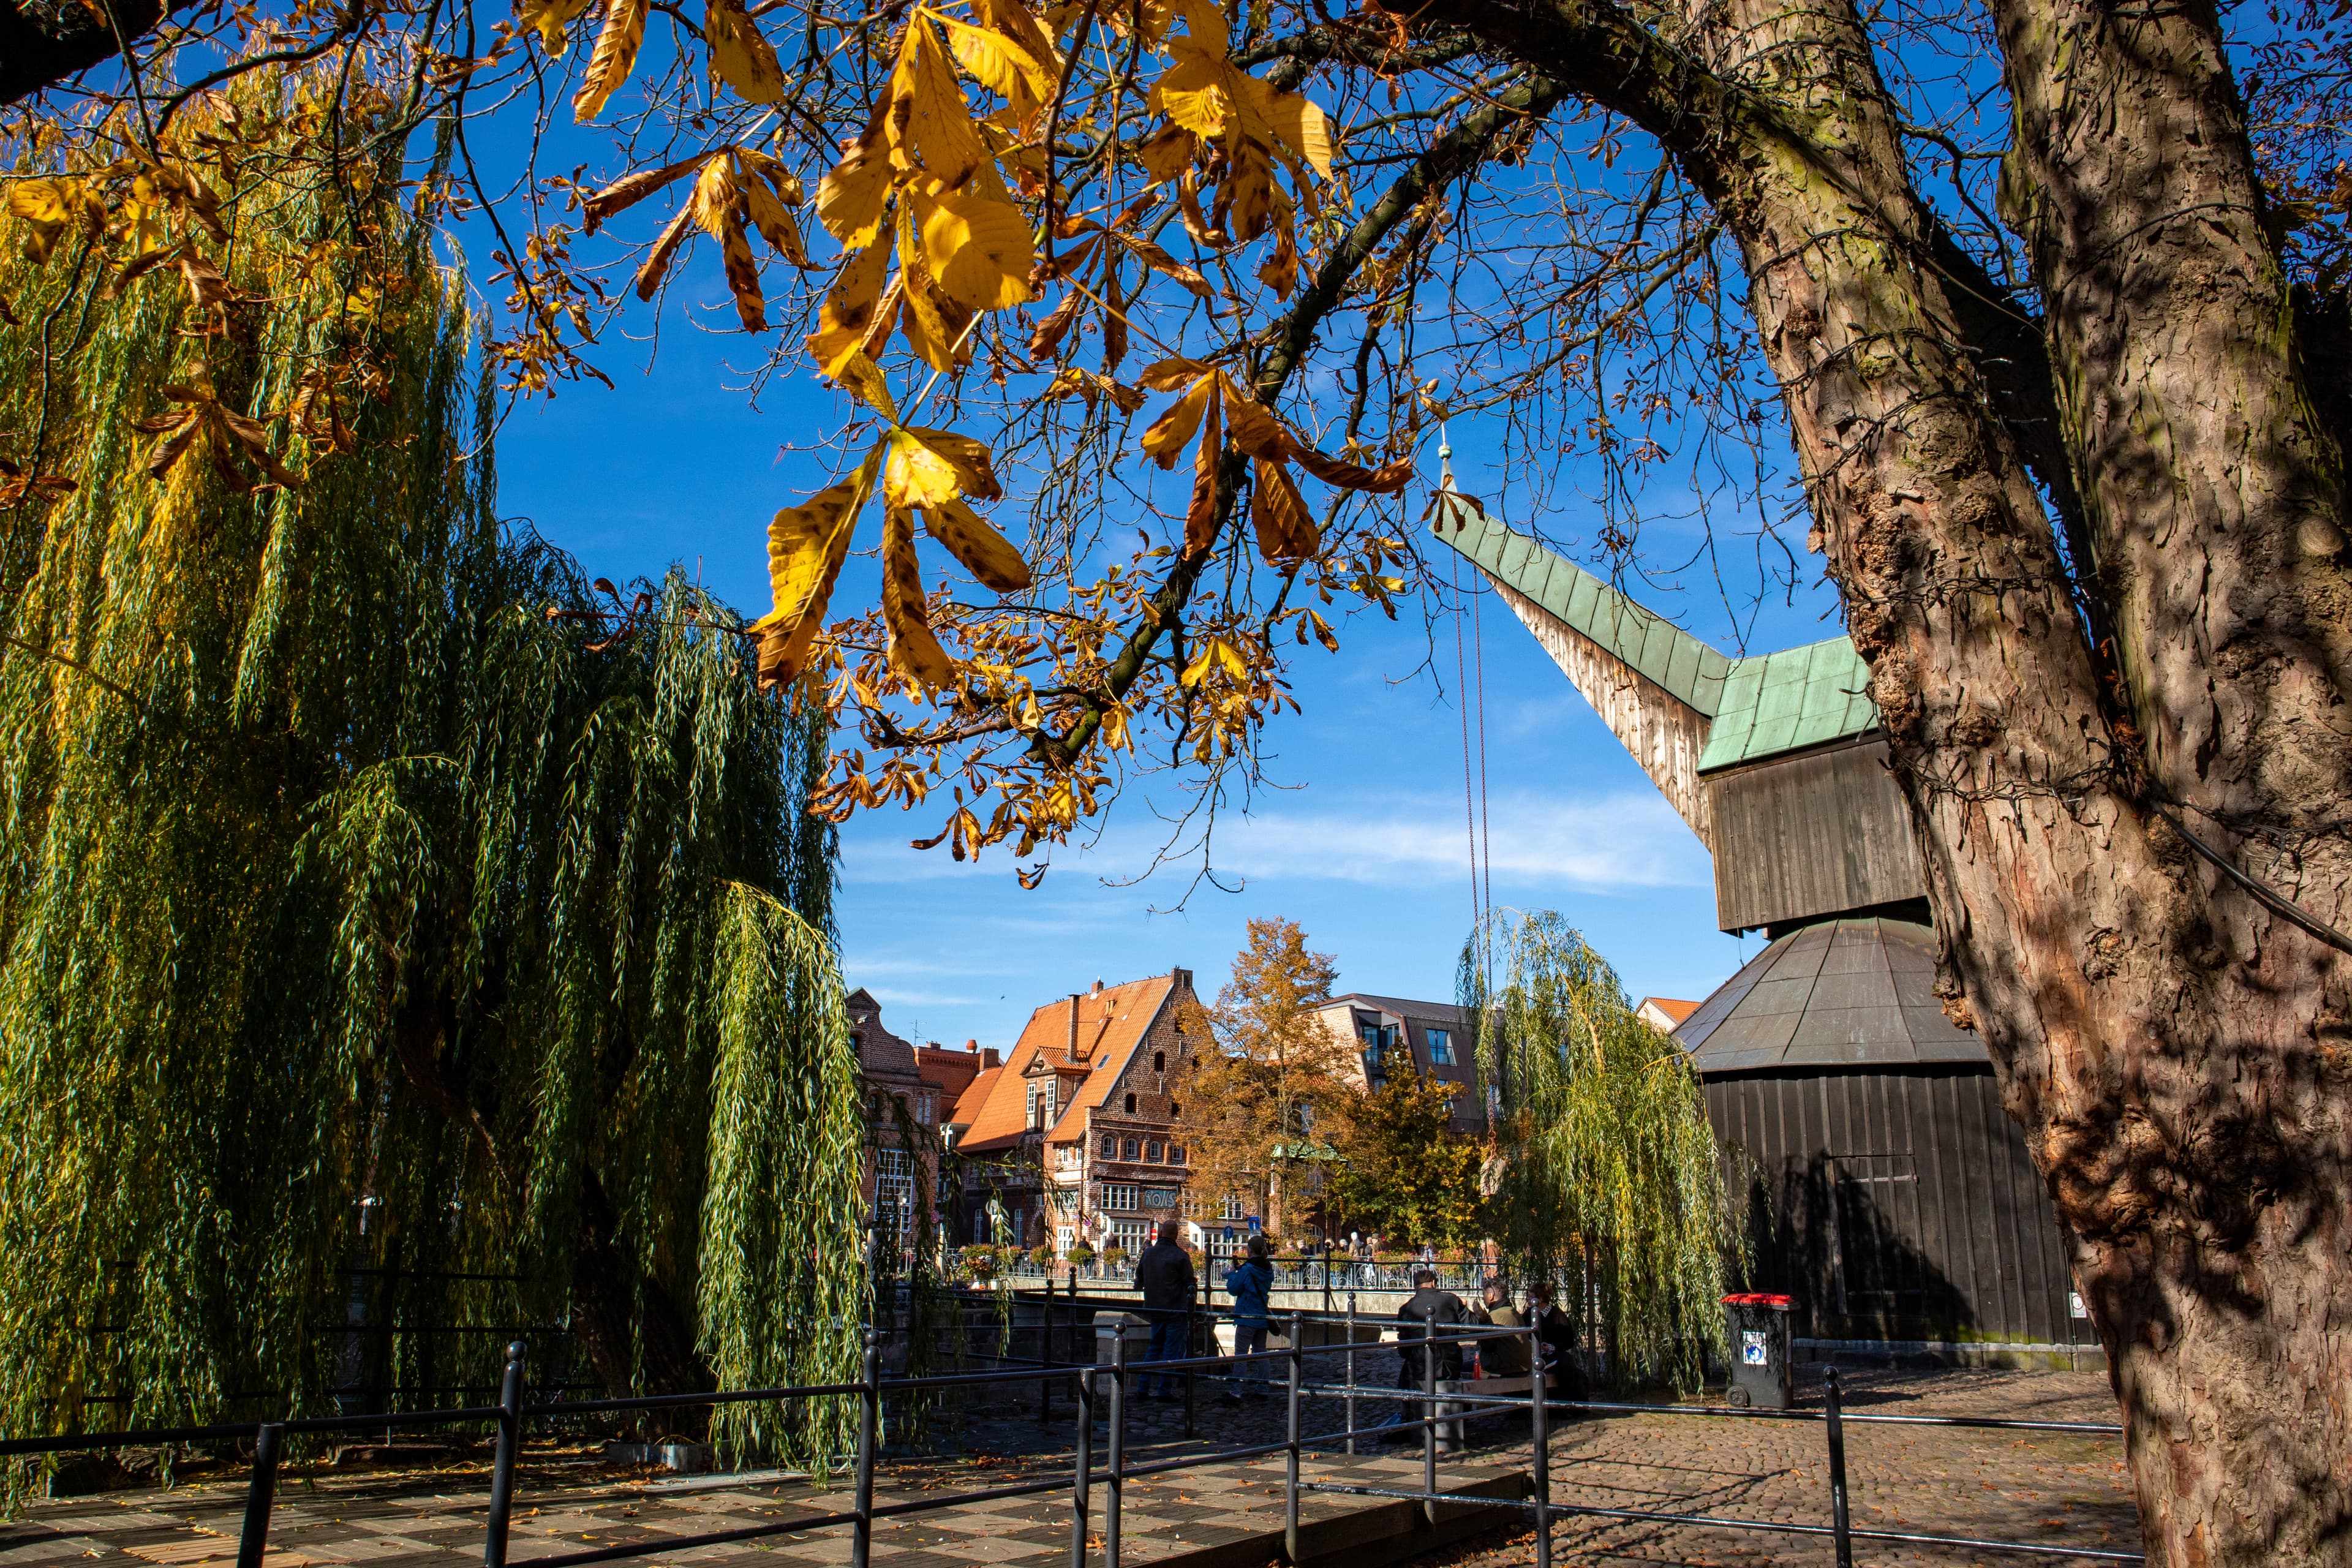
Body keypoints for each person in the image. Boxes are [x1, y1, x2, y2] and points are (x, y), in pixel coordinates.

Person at [1383, 1267, 1469, 1440]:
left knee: (1405, 1377)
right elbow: (1472, 1326)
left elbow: (1404, 1349)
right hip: (1449, 1365)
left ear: (1415, 1286)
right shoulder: (1451, 1300)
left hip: (1419, 1367)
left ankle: (1408, 1418)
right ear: (1435, 1283)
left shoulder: (1406, 1309)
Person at [1133, 1218, 1197, 1400]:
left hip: (1154, 1307)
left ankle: (1143, 1387)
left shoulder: (1148, 1254)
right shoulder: (1180, 1256)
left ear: (1161, 1233)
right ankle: (1164, 1390)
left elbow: (1139, 1279)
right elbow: (1191, 1285)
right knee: (1171, 1351)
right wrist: (1192, 1310)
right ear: (1176, 1235)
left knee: (1154, 1347)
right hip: (1175, 1309)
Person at [1222, 1235, 1275, 1400]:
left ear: (1250, 1250)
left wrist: (1230, 1275)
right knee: (1261, 1353)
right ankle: (1263, 1388)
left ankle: (1236, 1390)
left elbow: (1234, 1289)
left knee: (1241, 1355)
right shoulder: (1268, 1269)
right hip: (1261, 1315)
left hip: (1246, 1315)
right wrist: (1240, 1271)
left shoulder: (1247, 1269)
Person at [1525, 1281, 1591, 1401]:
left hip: (1554, 1355)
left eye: (1530, 1297)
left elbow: (1569, 1341)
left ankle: (1566, 1403)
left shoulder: (1557, 1315)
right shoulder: (1527, 1314)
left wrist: (1551, 1347)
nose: (1528, 1300)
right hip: (1534, 1356)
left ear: (1539, 1299)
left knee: (1566, 1366)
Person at [1471, 1280, 1532, 1379]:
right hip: (1523, 1365)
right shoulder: (1513, 1311)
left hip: (1508, 1367)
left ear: (1491, 1295)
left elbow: (1486, 1345)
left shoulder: (1496, 1315)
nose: (1483, 1298)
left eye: (1484, 1295)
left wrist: (1482, 1321)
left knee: (1469, 1364)